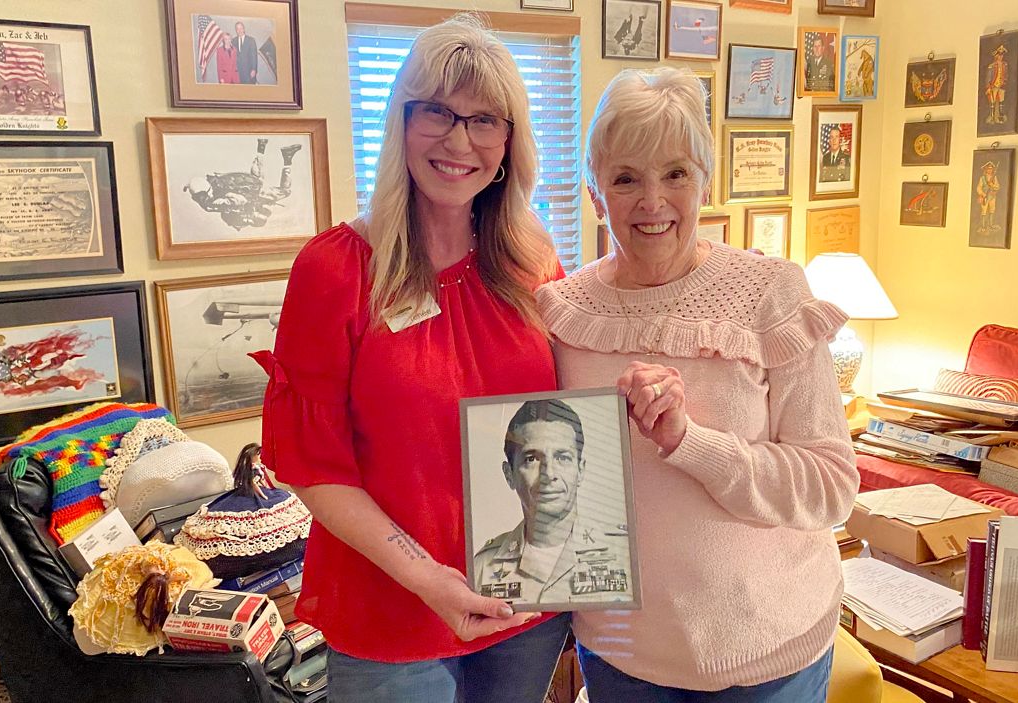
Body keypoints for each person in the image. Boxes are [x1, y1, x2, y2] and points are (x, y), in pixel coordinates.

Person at [253, 15, 568, 703]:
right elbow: (312, 463)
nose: (459, 141)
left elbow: (570, 413)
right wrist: (427, 576)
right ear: (401, 120)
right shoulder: (335, 270)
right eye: (437, 112)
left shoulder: (534, 263)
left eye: (484, 120)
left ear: (509, 142)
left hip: (524, 605)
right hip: (390, 614)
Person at [536, 66, 859, 702]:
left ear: (705, 181)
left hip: (770, 655)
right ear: (596, 194)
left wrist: (690, 442)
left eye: (676, 173)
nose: (652, 201)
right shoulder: (563, 314)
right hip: (623, 658)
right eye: (626, 179)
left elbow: (831, 487)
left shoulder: (770, 292)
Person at [471, 399, 631, 606]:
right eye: (531, 459)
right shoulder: (482, 567)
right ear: (509, 474)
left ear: (581, 469)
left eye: (562, 457)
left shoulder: (624, 553)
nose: (549, 474)